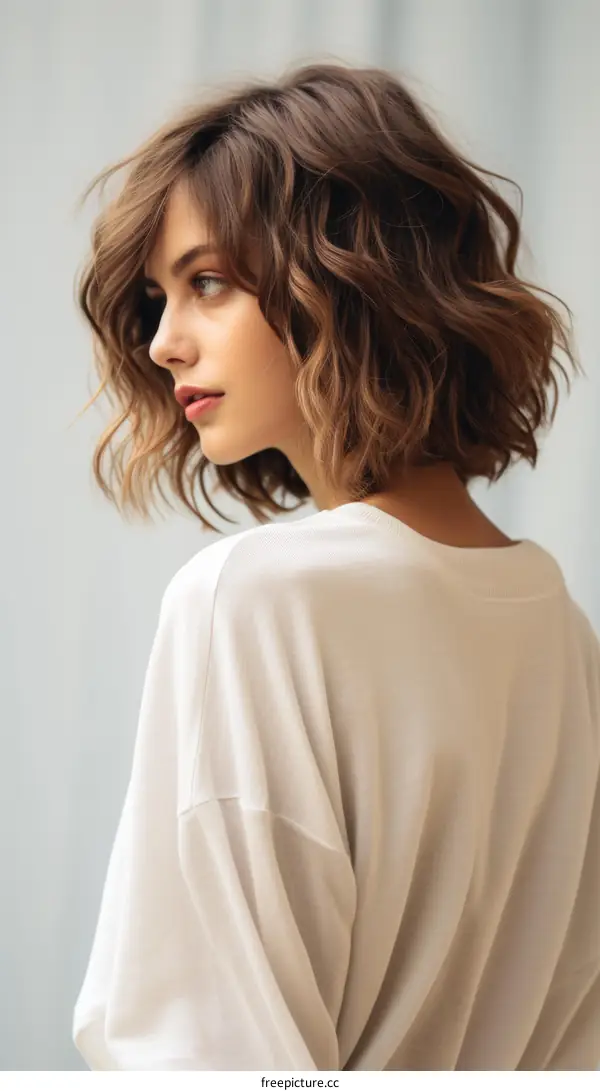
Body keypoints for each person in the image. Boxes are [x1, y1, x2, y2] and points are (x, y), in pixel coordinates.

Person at [70, 62, 600, 1070]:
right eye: (155, 298)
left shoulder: (253, 600)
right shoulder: (563, 634)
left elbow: (207, 1054)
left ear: (349, 275)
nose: (164, 343)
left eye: (207, 282)